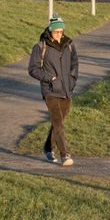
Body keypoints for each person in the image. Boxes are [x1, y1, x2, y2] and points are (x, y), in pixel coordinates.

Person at [27, 15, 79, 167]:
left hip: (66, 90)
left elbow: (75, 63)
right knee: (58, 122)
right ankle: (65, 155)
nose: (59, 35)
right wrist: (50, 78)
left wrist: (72, 79)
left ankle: (48, 148)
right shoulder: (40, 47)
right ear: (50, 31)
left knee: (59, 122)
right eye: (56, 32)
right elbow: (33, 69)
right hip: (50, 91)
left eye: (61, 31)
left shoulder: (69, 44)